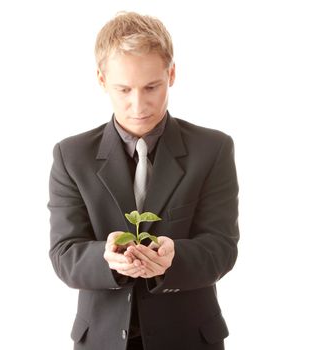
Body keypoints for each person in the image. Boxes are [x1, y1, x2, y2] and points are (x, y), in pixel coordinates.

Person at [48, 11, 239, 350]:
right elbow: (64, 253)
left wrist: (174, 258)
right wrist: (106, 259)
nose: (138, 105)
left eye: (152, 86)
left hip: (189, 339)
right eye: (123, 89)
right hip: (102, 340)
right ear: (102, 80)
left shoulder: (213, 149)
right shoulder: (71, 155)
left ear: (172, 74)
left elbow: (222, 247)